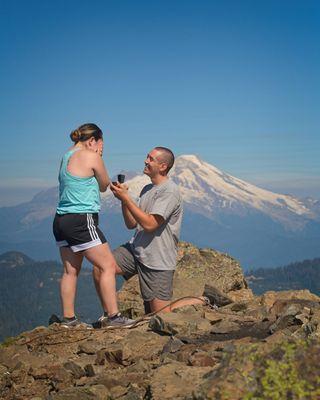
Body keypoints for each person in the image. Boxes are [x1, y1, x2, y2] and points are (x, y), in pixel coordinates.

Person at [52, 123, 135, 328]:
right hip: (82, 219)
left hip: (61, 220)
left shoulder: (66, 156)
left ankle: (69, 320)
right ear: (92, 141)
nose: (102, 149)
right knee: (107, 265)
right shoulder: (92, 155)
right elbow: (104, 184)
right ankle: (114, 317)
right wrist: (98, 156)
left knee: (70, 271)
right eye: (101, 145)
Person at [93, 146, 184, 320]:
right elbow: (131, 223)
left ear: (163, 166)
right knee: (100, 267)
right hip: (135, 251)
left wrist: (127, 198)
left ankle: (200, 301)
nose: (145, 160)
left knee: (159, 317)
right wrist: (123, 200)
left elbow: (150, 225)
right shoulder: (146, 189)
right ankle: (110, 316)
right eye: (147, 157)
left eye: (150, 158)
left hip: (158, 260)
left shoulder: (170, 191)